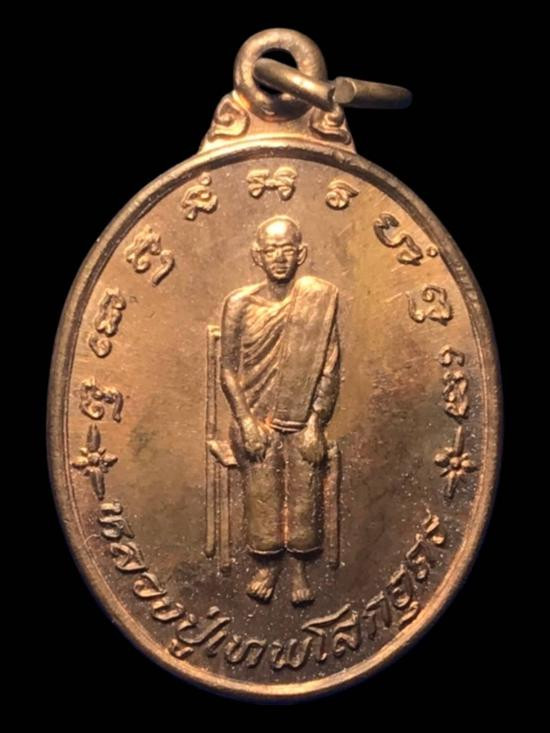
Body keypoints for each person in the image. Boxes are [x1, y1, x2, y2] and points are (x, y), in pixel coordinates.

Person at [220, 215, 340, 605]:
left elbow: (329, 366)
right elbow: (227, 370)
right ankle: (268, 565)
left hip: (303, 415)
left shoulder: (317, 302)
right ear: (257, 255)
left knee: (305, 474)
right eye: (271, 250)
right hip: (253, 417)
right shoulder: (240, 303)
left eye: (287, 248)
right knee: (264, 477)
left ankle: (301, 567)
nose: (279, 257)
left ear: (301, 253)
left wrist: (316, 422)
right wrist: (246, 422)